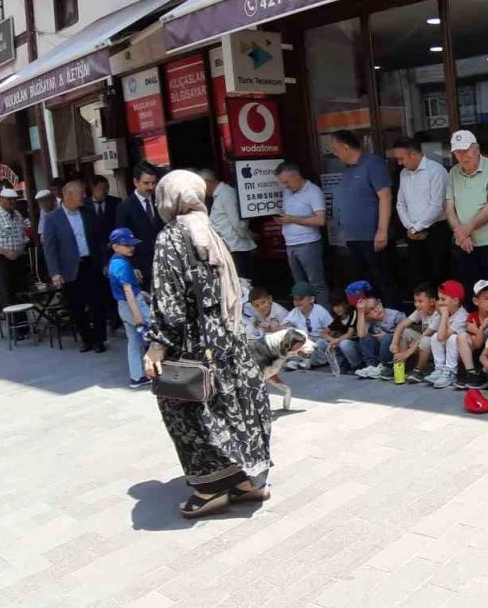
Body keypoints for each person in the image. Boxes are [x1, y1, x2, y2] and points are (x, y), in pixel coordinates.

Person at [141, 169, 271, 519]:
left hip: (192, 345)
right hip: (227, 340)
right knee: (233, 408)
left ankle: (210, 489)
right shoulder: (209, 230)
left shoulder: (171, 237)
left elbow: (169, 301)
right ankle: (247, 481)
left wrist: (157, 346)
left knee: (190, 411)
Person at [42, 180, 109, 353]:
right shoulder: (52, 218)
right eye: (81, 193)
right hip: (70, 269)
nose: (84, 196)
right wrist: (55, 272)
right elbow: (50, 248)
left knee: (98, 304)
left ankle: (99, 339)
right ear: (68, 195)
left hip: (91, 264)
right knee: (76, 307)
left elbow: (100, 239)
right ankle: (87, 339)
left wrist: (104, 262)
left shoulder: (88, 213)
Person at [445, 130, 488, 297]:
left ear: (477, 149)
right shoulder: (453, 172)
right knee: (471, 292)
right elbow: (449, 207)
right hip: (465, 243)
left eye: (466, 150)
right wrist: (460, 234)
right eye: (457, 152)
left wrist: (466, 229)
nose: (462, 156)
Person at [331, 129, 396, 303]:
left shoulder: (373, 164)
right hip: (353, 238)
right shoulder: (347, 171)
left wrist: (382, 230)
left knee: (383, 282)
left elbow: (385, 196)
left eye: (335, 149)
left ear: (346, 148)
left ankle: (393, 315)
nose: (334, 154)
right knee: (363, 285)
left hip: (373, 237)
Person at [393, 137, 450, 292]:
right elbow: (400, 203)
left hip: (436, 230)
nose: (399, 163)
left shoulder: (436, 171)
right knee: (418, 278)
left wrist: (417, 227)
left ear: (413, 154)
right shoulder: (404, 174)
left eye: (401, 158)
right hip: (413, 232)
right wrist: (410, 227)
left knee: (440, 276)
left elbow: (437, 205)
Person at [276, 163, 329, 306]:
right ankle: (306, 316)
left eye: (287, 182)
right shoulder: (287, 192)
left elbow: (320, 220)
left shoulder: (313, 191)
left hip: (308, 243)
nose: (285, 186)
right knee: (300, 287)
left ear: (296, 176)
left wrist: (293, 219)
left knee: (316, 284)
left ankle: (324, 316)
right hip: (290, 243)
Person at [107, 228, 151, 388]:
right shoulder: (121, 264)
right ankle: (157, 370)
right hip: (133, 306)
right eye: (127, 245)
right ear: (115, 246)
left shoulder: (115, 261)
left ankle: (137, 376)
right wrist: (138, 315)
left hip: (124, 307)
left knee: (133, 341)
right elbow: (128, 291)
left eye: (132, 245)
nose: (131, 248)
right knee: (155, 335)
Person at [199, 169, 256, 280]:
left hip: (236, 248)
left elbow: (237, 222)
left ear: (207, 182)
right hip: (230, 247)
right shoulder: (220, 195)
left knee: (243, 282)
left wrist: (248, 236)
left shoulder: (226, 194)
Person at [115, 163, 164, 289]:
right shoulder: (125, 208)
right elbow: (122, 240)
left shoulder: (160, 202)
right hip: (141, 267)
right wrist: (131, 265)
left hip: (162, 263)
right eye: (146, 183)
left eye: (154, 183)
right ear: (136, 182)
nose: (151, 187)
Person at [0, 187, 29, 308]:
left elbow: (23, 235)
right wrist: (6, 252)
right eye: (9, 199)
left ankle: (22, 321)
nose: (12, 202)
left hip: (17, 259)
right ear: (1, 199)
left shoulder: (17, 215)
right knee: (6, 294)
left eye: (14, 199)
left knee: (20, 294)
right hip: (0, 260)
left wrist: (21, 248)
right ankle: (11, 320)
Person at [88, 175, 123, 328]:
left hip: (112, 250)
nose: (105, 191)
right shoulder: (85, 206)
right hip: (94, 253)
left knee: (115, 285)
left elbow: (119, 224)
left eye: (107, 188)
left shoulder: (115, 203)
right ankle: (105, 316)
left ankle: (117, 318)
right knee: (99, 288)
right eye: (102, 188)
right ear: (93, 188)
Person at [393, 283, 440, 383]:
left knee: (425, 340)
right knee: (406, 332)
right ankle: (400, 367)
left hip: (437, 350)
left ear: (432, 302)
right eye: (415, 301)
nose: (417, 304)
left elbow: (424, 335)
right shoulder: (421, 310)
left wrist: (407, 353)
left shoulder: (438, 314)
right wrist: (394, 342)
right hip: (423, 346)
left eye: (420, 301)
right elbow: (401, 325)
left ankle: (418, 371)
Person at [427, 279, 470, 389]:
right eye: (439, 299)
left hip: (462, 351)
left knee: (453, 338)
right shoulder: (446, 312)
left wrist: (444, 315)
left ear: (455, 301)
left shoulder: (462, 316)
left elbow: (442, 337)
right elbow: (439, 337)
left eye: (443, 299)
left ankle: (450, 372)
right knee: (434, 337)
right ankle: (440, 369)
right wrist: (443, 315)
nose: (440, 302)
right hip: (448, 347)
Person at [283, 281, 334, 369]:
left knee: (319, 344)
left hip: (319, 339)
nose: (297, 302)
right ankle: (295, 360)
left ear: (311, 299)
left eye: (301, 299)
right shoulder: (294, 312)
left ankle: (309, 361)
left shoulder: (320, 311)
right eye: (295, 299)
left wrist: (325, 335)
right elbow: (285, 324)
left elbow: (331, 328)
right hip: (304, 339)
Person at [354, 298, 406, 379]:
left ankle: (386, 367)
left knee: (386, 338)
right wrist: (360, 312)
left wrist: (387, 335)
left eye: (377, 305)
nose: (376, 310)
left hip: (393, 349)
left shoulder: (396, 315)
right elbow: (361, 335)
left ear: (380, 303)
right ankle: (372, 366)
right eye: (371, 310)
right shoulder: (369, 319)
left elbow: (406, 335)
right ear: (367, 315)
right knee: (366, 336)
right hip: (378, 350)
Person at [461, 279, 488, 389]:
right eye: (486, 298)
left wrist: (477, 330)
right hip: (478, 353)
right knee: (462, 337)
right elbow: (477, 345)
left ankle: (486, 374)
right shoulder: (472, 317)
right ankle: (471, 373)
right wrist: (481, 329)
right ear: (476, 301)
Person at [322, 296, 361, 373]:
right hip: (342, 343)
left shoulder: (354, 313)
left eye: (339, 306)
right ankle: (341, 362)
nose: (336, 309)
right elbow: (323, 333)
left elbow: (349, 334)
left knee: (344, 343)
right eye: (334, 306)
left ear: (345, 305)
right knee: (321, 342)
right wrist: (332, 340)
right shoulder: (338, 318)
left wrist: (337, 340)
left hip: (356, 344)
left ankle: (356, 366)